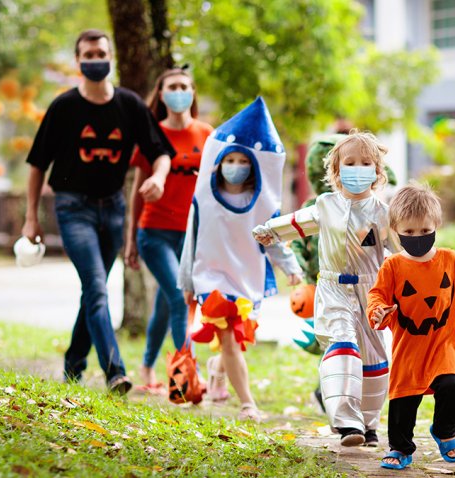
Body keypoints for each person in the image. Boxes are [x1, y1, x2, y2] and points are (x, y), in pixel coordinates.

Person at [22, 29, 174, 394]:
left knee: (95, 291)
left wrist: (160, 177)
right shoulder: (64, 107)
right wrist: (30, 217)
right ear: (78, 61)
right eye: (88, 54)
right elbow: (37, 164)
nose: (95, 60)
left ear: (111, 57)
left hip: (114, 209)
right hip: (73, 207)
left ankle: (73, 365)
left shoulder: (130, 104)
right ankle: (114, 371)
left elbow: (161, 151)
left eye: (101, 53)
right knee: (96, 287)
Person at [253, 131, 395, 447]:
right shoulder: (325, 204)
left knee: (374, 358)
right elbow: (299, 220)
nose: (357, 169)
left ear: (376, 171)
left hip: (371, 290)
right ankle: (346, 422)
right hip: (333, 288)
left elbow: (401, 251)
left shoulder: (382, 212)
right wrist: (271, 232)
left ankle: (369, 423)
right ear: (335, 171)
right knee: (341, 342)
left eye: (365, 163)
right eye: (349, 163)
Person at [178, 97, 302, 421]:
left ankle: (217, 372)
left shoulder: (260, 203)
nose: (235, 166)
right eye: (229, 159)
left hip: (247, 279)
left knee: (236, 341)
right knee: (230, 340)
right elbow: (193, 239)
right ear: (217, 162)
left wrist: (290, 267)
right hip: (211, 278)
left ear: (253, 165)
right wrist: (187, 281)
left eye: (242, 160)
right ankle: (248, 403)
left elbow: (271, 239)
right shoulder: (205, 198)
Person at [367, 184, 455, 470]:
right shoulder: (393, 267)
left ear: (436, 225)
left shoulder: (450, 261)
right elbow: (377, 296)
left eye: (424, 231)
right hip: (409, 348)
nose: (417, 238)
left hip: (446, 345)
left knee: (452, 386)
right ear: (395, 230)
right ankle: (400, 447)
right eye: (409, 233)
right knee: (403, 402)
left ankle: (445, 431)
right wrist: (378, 311)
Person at [123, 67, 214, 392]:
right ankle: (189, 373)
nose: (178, 91)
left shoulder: (207, 135)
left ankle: (147, 367)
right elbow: (137, 190)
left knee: (165, 304)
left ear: (192, 92)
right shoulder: (152, 134)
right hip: (154, 232)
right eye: (171, 86)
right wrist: (131, 238)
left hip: (191, 235)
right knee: (179, 298)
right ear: (161, 94)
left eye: (184, 86)